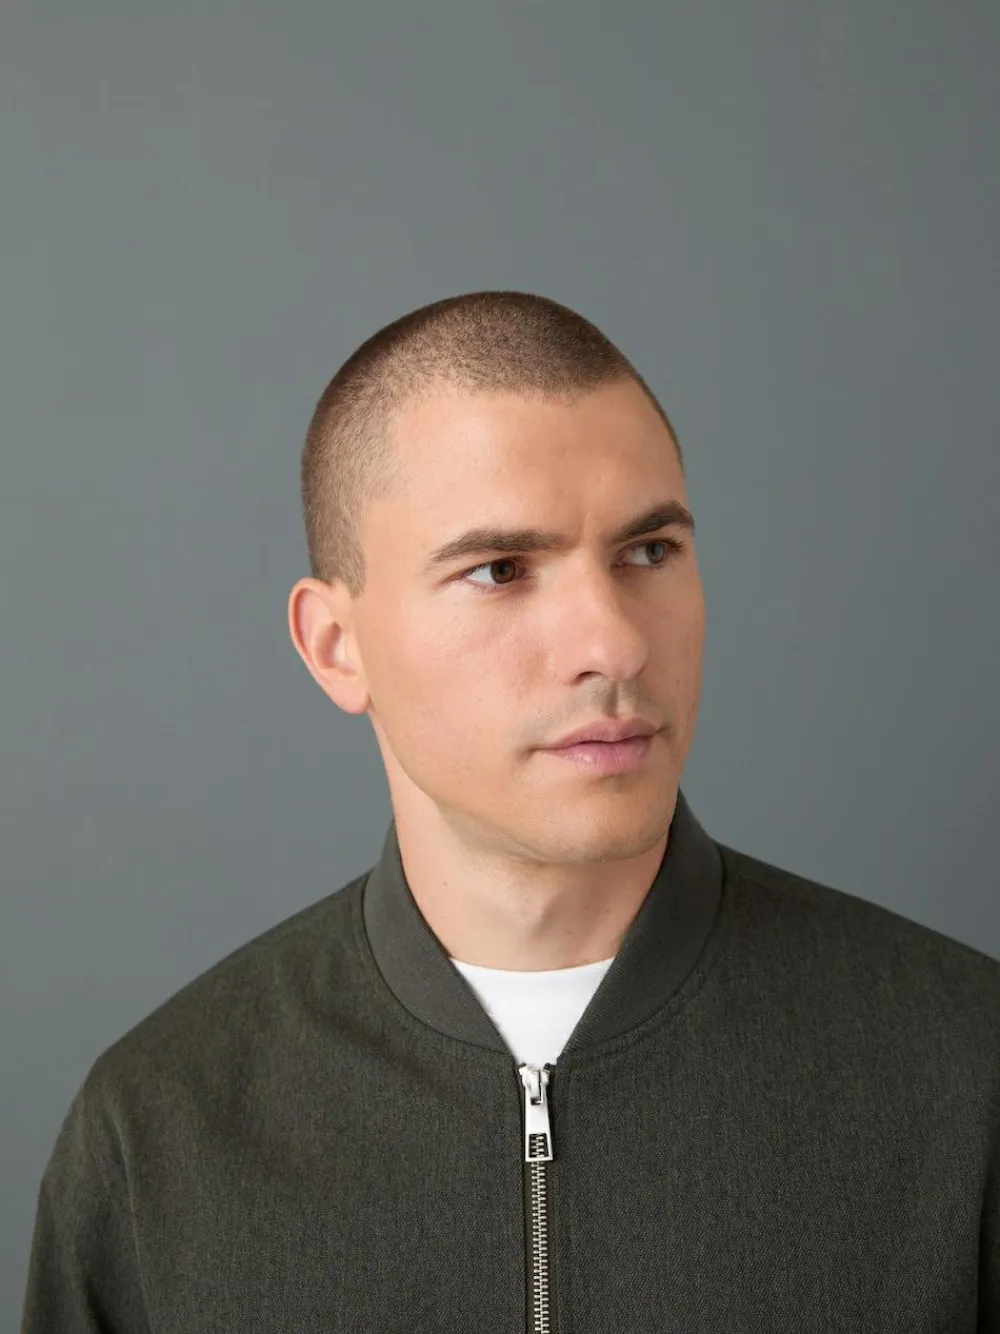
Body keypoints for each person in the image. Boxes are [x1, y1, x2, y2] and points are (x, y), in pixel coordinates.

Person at [21, 290, 1000, 1333]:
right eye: (500, 570)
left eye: (649, 551)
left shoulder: (966, 1075)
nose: (613, 644)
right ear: (335, 647)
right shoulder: (157, 1133)